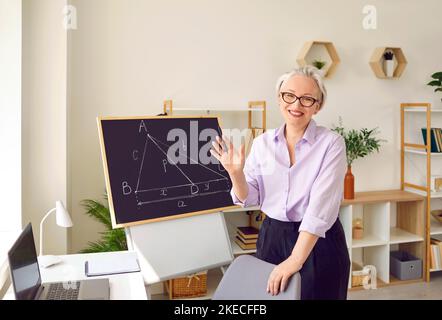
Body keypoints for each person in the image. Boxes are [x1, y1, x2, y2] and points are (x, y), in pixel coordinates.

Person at [210, 66, 350, 300]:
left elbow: (320, 209)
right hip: (272, 237)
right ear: (279, 98)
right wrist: (235, 173)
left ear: (318, 105)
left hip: (319, 241)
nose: (296, 105)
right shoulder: (262, 143)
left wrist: (294, 260)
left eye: (307, 99)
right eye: (290, 96)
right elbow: (250, 197)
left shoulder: (331, 144)